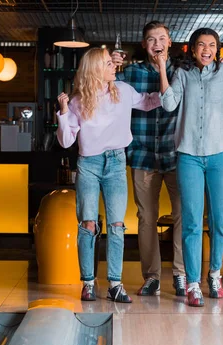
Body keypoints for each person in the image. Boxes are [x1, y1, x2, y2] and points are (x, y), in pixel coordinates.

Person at [154, 28, 223, 307]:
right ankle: (193, 283)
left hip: (220, 155)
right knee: (192, 222)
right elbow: (169, 103)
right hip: (189, 156)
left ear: (217, 49)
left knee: (219, 220)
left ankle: (215, 274)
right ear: (192, 48)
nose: (206, 49)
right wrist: (162, 68)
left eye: (211, 45)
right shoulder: (182, 74)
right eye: (201, 45)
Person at [56, 47, 161, 302]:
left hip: (116, 162)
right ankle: (89, 283)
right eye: (107, 63)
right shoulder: (78, 100)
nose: (114, 66)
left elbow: (148, 102)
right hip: (88, 164)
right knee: (87, 225)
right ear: (95, 70)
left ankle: (115, 284)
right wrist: (62, 112)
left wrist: (171, 89)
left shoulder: (123, 91)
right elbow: (66, 141)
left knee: (117, 226)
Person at [112, 21, 186, 297]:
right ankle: (152, 276)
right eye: (151, 39)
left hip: (177, 154)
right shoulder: (130, 73)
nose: (157, 43)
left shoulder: (181, 73)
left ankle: (181, 274)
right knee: (146, 217)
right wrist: (110, 67)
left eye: (162, 38)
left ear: (170, 42)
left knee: (182, 215)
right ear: (144, 45)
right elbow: (100, 94)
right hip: (142, 154)